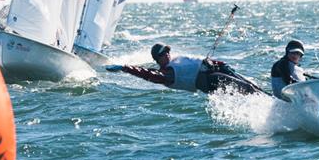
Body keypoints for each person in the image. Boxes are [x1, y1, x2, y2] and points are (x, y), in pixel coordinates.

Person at [107, 43, 265, 95]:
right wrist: (125, 68)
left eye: (168, 51)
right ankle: (271, 104)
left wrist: (216, 62)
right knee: (247, 88)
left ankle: (273, 99)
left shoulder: (174, 61)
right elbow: (148, 74)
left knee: (251, 85)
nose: (167, 54)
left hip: (216, 68)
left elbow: (195, 61)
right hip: (208, 80)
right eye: (163, 53)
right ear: (157, 59)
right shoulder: (166, 75)